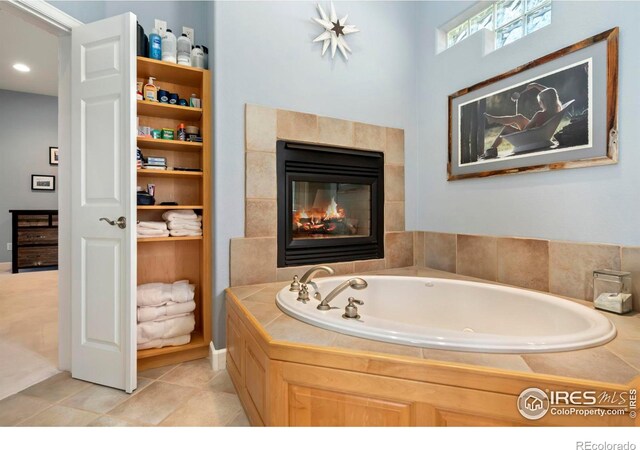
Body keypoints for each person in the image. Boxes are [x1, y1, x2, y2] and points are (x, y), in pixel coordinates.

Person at [479, 82, 563, 159]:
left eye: (539, 102)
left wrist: (517, 123)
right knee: (519, 117)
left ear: (543, 102)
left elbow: (526, 130)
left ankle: (492, 148)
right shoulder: (557, 109)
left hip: (532, 137)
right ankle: (493, 119)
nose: (539, 104)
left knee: (507, 128)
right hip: (540, 134)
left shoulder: (539, 114)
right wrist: (535, 85)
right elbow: (550, 93)